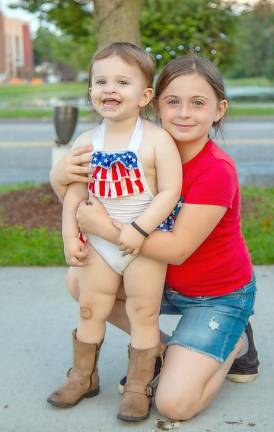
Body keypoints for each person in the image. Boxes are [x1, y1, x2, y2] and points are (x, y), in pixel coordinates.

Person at [50, 54, 259, 421]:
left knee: (173, 404)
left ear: (219, 109)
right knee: (79, 282)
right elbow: (93, 198)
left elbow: (176, 250)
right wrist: (59, 178)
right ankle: (160, 351)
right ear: (154, 103)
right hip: (162, 282)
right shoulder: (141, 146)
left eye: (198, 103)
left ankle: (235, 341)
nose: (183, 113)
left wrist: (105, 229)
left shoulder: (215, 171)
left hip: (214, 295)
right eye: (173, 102)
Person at [47, 42, 182, 422]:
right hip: (99, 244)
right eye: (101, 81)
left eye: (123, 81)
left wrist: (140, 229)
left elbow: (170, 191)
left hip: (142, 242)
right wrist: (69, 237)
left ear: (145, 95)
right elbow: (74, 195)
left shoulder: (156, 139)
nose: (110, 89)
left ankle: (139, 385)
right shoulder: (87, 142)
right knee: (91, 308)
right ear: (90, 90)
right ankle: (82, 376)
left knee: (143, 311)